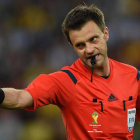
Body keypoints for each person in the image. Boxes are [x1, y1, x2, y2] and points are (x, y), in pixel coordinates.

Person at [0, 4, 140, 140]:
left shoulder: (132, 76)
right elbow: (20, 98)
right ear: (72, 47)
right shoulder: (65, 81)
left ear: (106, 34)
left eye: (93, 39)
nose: (89, 49)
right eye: (80, 45)